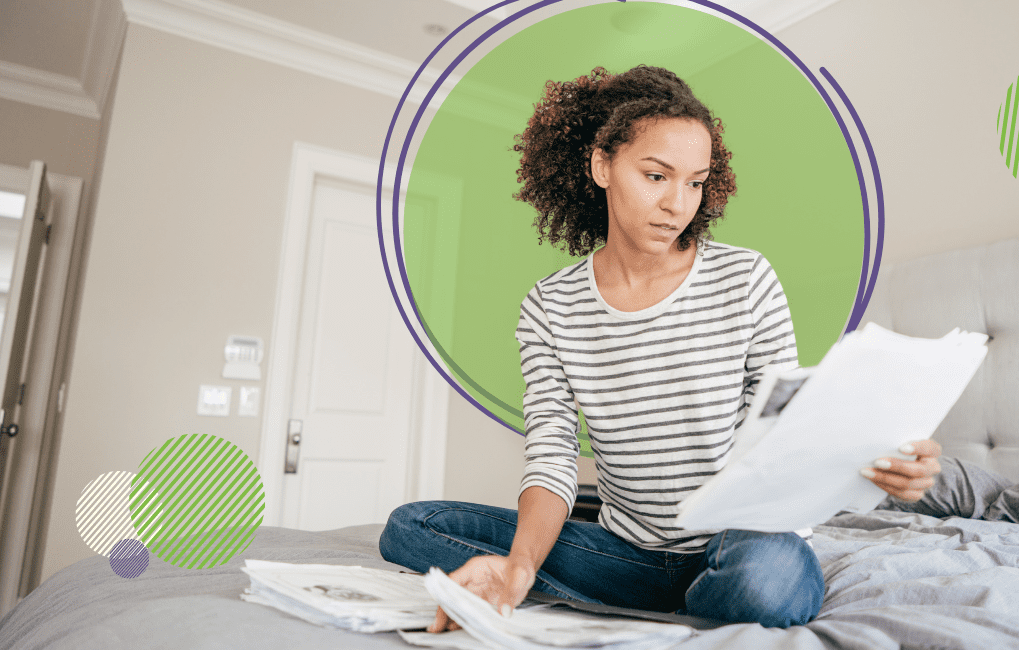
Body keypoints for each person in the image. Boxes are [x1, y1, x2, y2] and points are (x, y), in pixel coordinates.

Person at [378, 64, 942, 632]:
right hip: (631, 556)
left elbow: (784, 424)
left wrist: (875, 462)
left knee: (766, 586)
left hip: (742, 541)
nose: (678, 204)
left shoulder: (745, 278)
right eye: (656, 176)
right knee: (411, 526)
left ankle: (683, 600)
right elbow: (551, 454)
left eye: (695, 182)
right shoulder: (550, 306)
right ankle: (677, 603)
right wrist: (519, 567)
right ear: (602, 165)